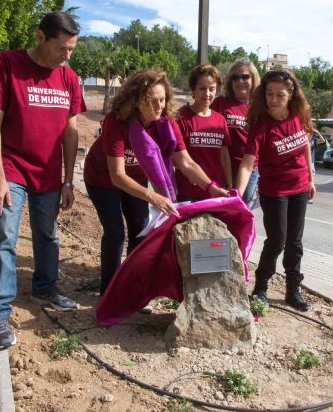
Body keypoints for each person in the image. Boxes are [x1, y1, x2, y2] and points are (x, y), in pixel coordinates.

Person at [0, 11, 86, 349]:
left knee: (47, 234)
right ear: (40, 37)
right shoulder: (6, 64)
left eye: (72, 50)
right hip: (12, 167)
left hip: (49, 173)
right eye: (62, 49)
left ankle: (44, 287)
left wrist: (68, 181)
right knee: (4, 235)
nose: (67, 57)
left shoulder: (68, 79)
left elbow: (71, 130)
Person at [83, 68, 229, 296]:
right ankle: (109, 292)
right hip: (103, 179)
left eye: (162, 100)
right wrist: (153, 196)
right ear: (135, 101)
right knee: (115, 232)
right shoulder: (116, 121)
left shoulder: (167, 123)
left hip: (136, 180)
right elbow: (117, 176)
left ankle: (132, 288)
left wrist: (212, 188)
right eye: (151, 101)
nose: (159, 107)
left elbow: (186, 163)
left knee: (140, 232)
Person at [235, 69, 315, 312]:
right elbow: (247, 164)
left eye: (279, 95)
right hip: (274, 191)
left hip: (300, 187)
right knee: (277, 240)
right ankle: (261, 287)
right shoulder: (261, 126)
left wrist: (311, 179)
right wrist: (237, 196)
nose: (273, 99)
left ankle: (293, 289)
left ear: (290, 94)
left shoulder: (299, 116)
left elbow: (307, 147)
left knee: (295, 241)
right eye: (269, 94)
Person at [175, 64, 232, 202]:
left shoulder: (220, 120)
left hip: (216, 193)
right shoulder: (179, 117)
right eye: (202, 88)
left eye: (211, 89)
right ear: (193, 89)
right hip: (188, 193)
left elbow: (224, 156)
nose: (207, 94)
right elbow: (178, 160)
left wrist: (229, 184)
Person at [211, 59, 261, 204]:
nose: (240, 81)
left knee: (241, 209)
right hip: (221, 167)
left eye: (245, 77)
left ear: (253, 78)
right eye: (235, 77)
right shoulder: (219, 103)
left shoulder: (259, 107)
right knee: (222, 208)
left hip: (250, 170)